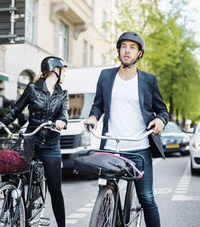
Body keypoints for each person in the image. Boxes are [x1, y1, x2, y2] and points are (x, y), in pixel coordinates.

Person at [84, 31, 169, 227]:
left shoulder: (149, 80)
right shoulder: (106, 76)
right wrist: (93, 116)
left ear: (139, 53)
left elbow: (162, 111)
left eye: (132, 47)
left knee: (146, 198)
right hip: (111, 147)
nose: (127, 51)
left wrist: (160, 121)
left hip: (139, 147)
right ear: (119, 50)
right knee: (105, 190)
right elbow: (98, 105)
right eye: (124, 46)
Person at [0, 56, 69, 227]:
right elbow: (16, 110)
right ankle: (19, 213)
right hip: (31, 140)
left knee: (55, 189)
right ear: (55, 70)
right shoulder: (32, 89)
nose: (65, 76)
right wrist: (2, 123)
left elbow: (64, 113)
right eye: (64, 72)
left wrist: (62, 122)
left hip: (51, 145)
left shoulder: (63, 94)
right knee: (16, 176)